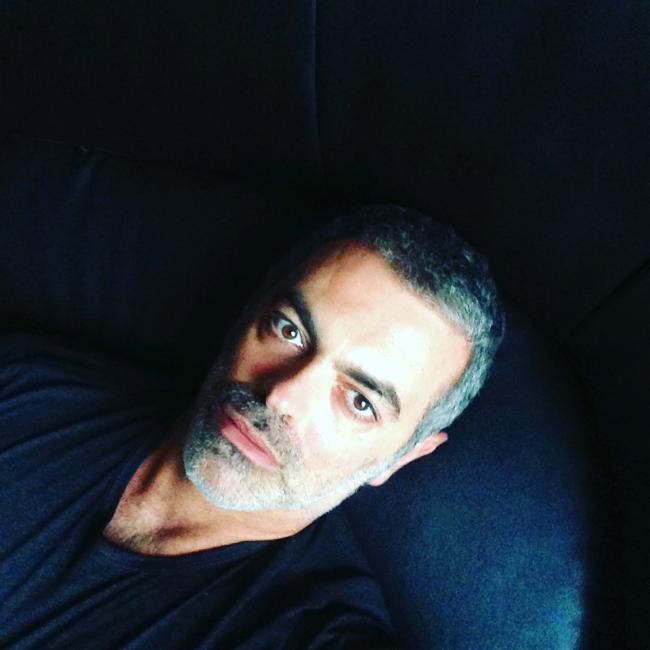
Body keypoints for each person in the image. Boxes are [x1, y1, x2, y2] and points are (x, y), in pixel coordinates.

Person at [0, 204, 505, 648]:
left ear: (401, 458)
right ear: (249, 312)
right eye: (290, 330)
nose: (281, 396)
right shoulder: (27, 388)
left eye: (359, 401)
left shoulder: (311, 631)